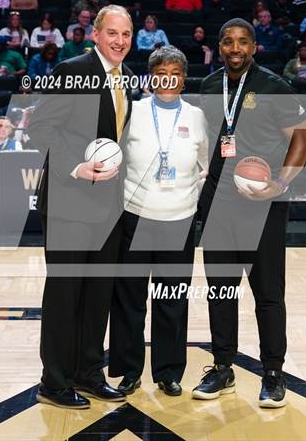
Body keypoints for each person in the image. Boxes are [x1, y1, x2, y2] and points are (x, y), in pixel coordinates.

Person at [193, 18, 306, 408]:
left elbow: (301, 138)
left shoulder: (275, 86)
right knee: (220, 291)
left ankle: (273, 373)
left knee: (268, 294)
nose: (235, 48)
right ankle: (222, 366)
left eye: (243, 41)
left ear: (254, 47)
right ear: (219, 48)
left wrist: (281, 183)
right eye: (228, 42)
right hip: (219, 203)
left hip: (263, 205)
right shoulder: (209, 86)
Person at [28, 5, 135, 410]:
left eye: (126, 34)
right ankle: (54, 382)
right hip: (69, 203)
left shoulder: (127, 78)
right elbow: (40, 129)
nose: (119, 41)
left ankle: (89, 372)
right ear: (95, 34)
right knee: (65, 294)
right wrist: (77, 165)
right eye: (112, 33)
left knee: (97, 296)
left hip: (108, 206)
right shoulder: (72, 70)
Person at [110, 46, 208, 397]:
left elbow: (209, 163)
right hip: (134, 216)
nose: (168, 79)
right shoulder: (132, 111)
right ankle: (129, 370)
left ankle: (168, 372)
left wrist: (193, 191)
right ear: (151, 78)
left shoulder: (197, 116)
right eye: (161, 73)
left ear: (184, 79)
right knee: (129, 299)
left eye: (175, 73)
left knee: (172, 300)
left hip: (179, 219)